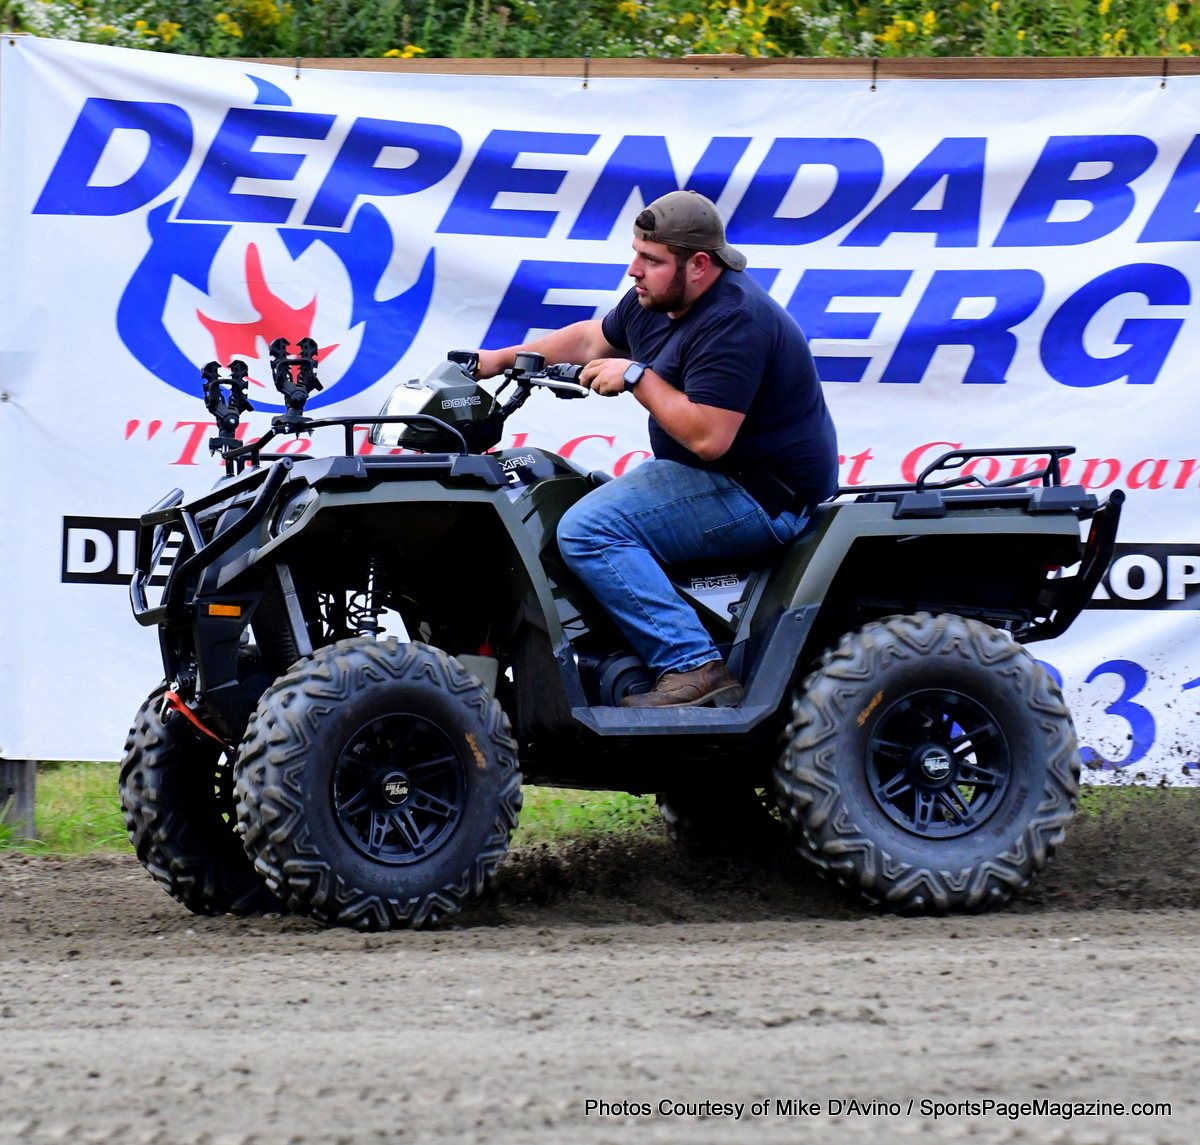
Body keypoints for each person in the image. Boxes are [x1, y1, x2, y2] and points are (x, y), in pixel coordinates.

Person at [475, 190, 839, 708]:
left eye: (651, 259)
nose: (634, 270)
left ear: (699, 265)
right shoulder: (655, 300)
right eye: (636, 254)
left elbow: (708, 439)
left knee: (589, 530)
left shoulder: (736, 321)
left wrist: (637, 377)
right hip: (708, 475)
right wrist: (497, 359)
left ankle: (694, 666)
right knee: (558, 495)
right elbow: (590, 340)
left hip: (761, 496)